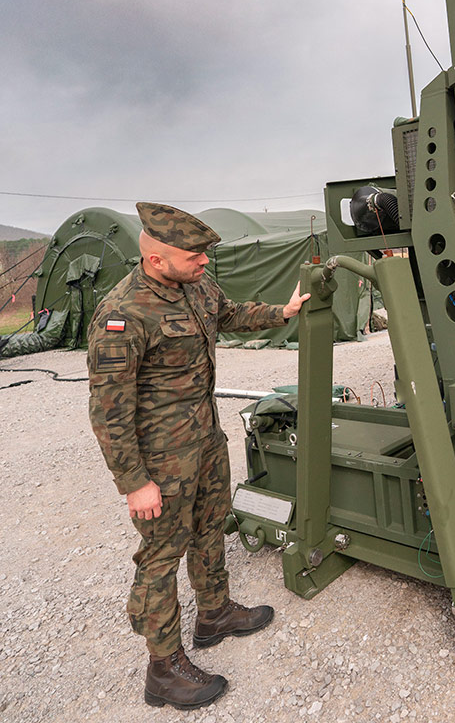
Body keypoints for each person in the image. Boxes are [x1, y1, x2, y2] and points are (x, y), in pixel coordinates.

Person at [87, 202, 311, 710]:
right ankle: (162, 669)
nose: (205, 262)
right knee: (161, 556)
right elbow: (108, 411)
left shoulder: (197, 285)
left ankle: (213, 613)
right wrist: (134, 482)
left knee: (211, 525)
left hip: (206, 439)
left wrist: (284, 312)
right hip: (162, 458)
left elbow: (228, 315)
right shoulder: (124, 312)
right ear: (157, 261)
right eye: (194, 256)